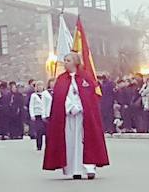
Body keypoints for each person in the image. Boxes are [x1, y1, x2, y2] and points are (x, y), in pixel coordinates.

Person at [42, 52, 109, 180]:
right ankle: (74, 169)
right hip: (68, 117)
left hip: (84, 116)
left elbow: (89, 97)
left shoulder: (86, 77)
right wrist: (69, 107)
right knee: (70, 141)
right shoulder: (61, 79)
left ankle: (89, 167)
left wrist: (80, 106)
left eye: (68, 60)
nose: (65, 63)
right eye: (65, 60)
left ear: (75, 62)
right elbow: (59, 97)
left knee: (86, 140)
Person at [28, 79, 51, 151]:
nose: (40, 87)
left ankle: (48, 146)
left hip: (45, 114)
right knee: (39, 130)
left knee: (47, 131)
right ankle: (39, 145)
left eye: (41, 86)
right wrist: (32, 114)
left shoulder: (46, 94)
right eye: (38, 86)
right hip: (37, 114)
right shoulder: (33, 95)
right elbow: (31, 105)